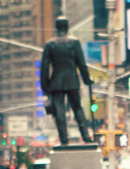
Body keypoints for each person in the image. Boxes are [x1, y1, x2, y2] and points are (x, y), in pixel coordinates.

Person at [40, 16, 94, 145]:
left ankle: (64, 140)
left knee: (59, 111)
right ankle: (86, 137)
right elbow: (81, 63)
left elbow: (45, 67)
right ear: (67, 27)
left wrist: (45, 86)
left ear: (57, 28)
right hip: (72, 81)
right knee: (77, 108)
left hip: (56, 82)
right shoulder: (74, 43)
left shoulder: (50, 44)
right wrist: (87, 80)